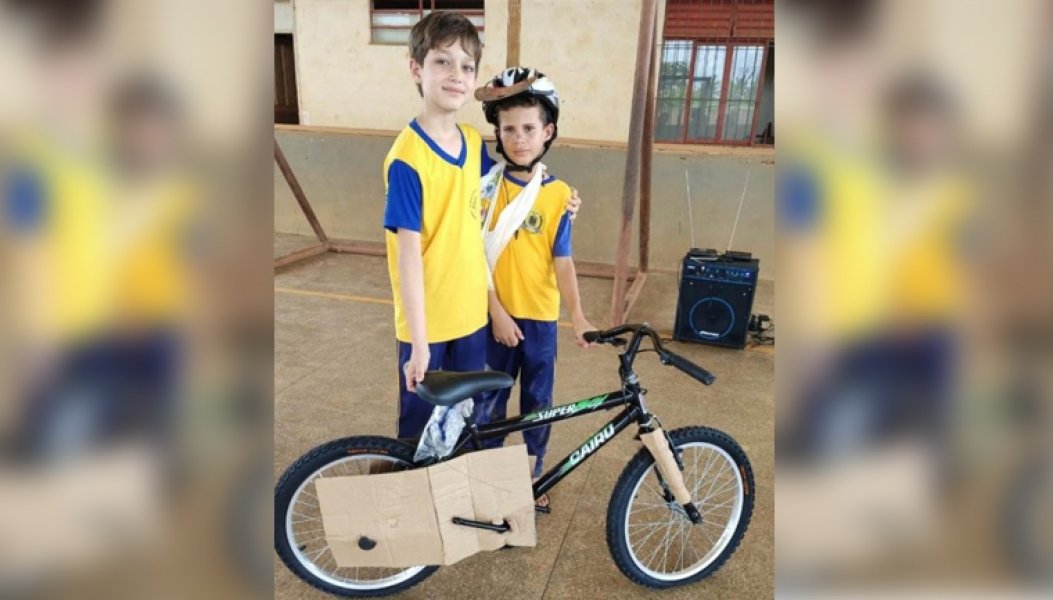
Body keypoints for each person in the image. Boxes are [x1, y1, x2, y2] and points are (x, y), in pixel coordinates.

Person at [381, 13, 581, 441]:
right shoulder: (407, 160)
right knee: (419, 430)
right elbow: (407, 259)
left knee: (465, 425)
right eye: (442, 62)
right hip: (429, 325)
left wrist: (563, 198)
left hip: (472, 319)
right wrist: (419, 343)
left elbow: (513, 183)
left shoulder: (472, 143)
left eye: (467, 66)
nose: (456, 75)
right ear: (416, 68)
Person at [474, 67, 596, 508]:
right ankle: (487, 479)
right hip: (495, 318)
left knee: (538, 404)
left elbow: (562, 260)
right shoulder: (484, 187)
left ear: (548, 132)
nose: (519, 138)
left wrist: (577, 316)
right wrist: (496, 312)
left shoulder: (559, 194)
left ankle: (531, 476)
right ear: (497, 134)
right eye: (509, 129)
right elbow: (473, 255)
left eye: (529, 128)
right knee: (489, 402)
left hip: (541, 320)